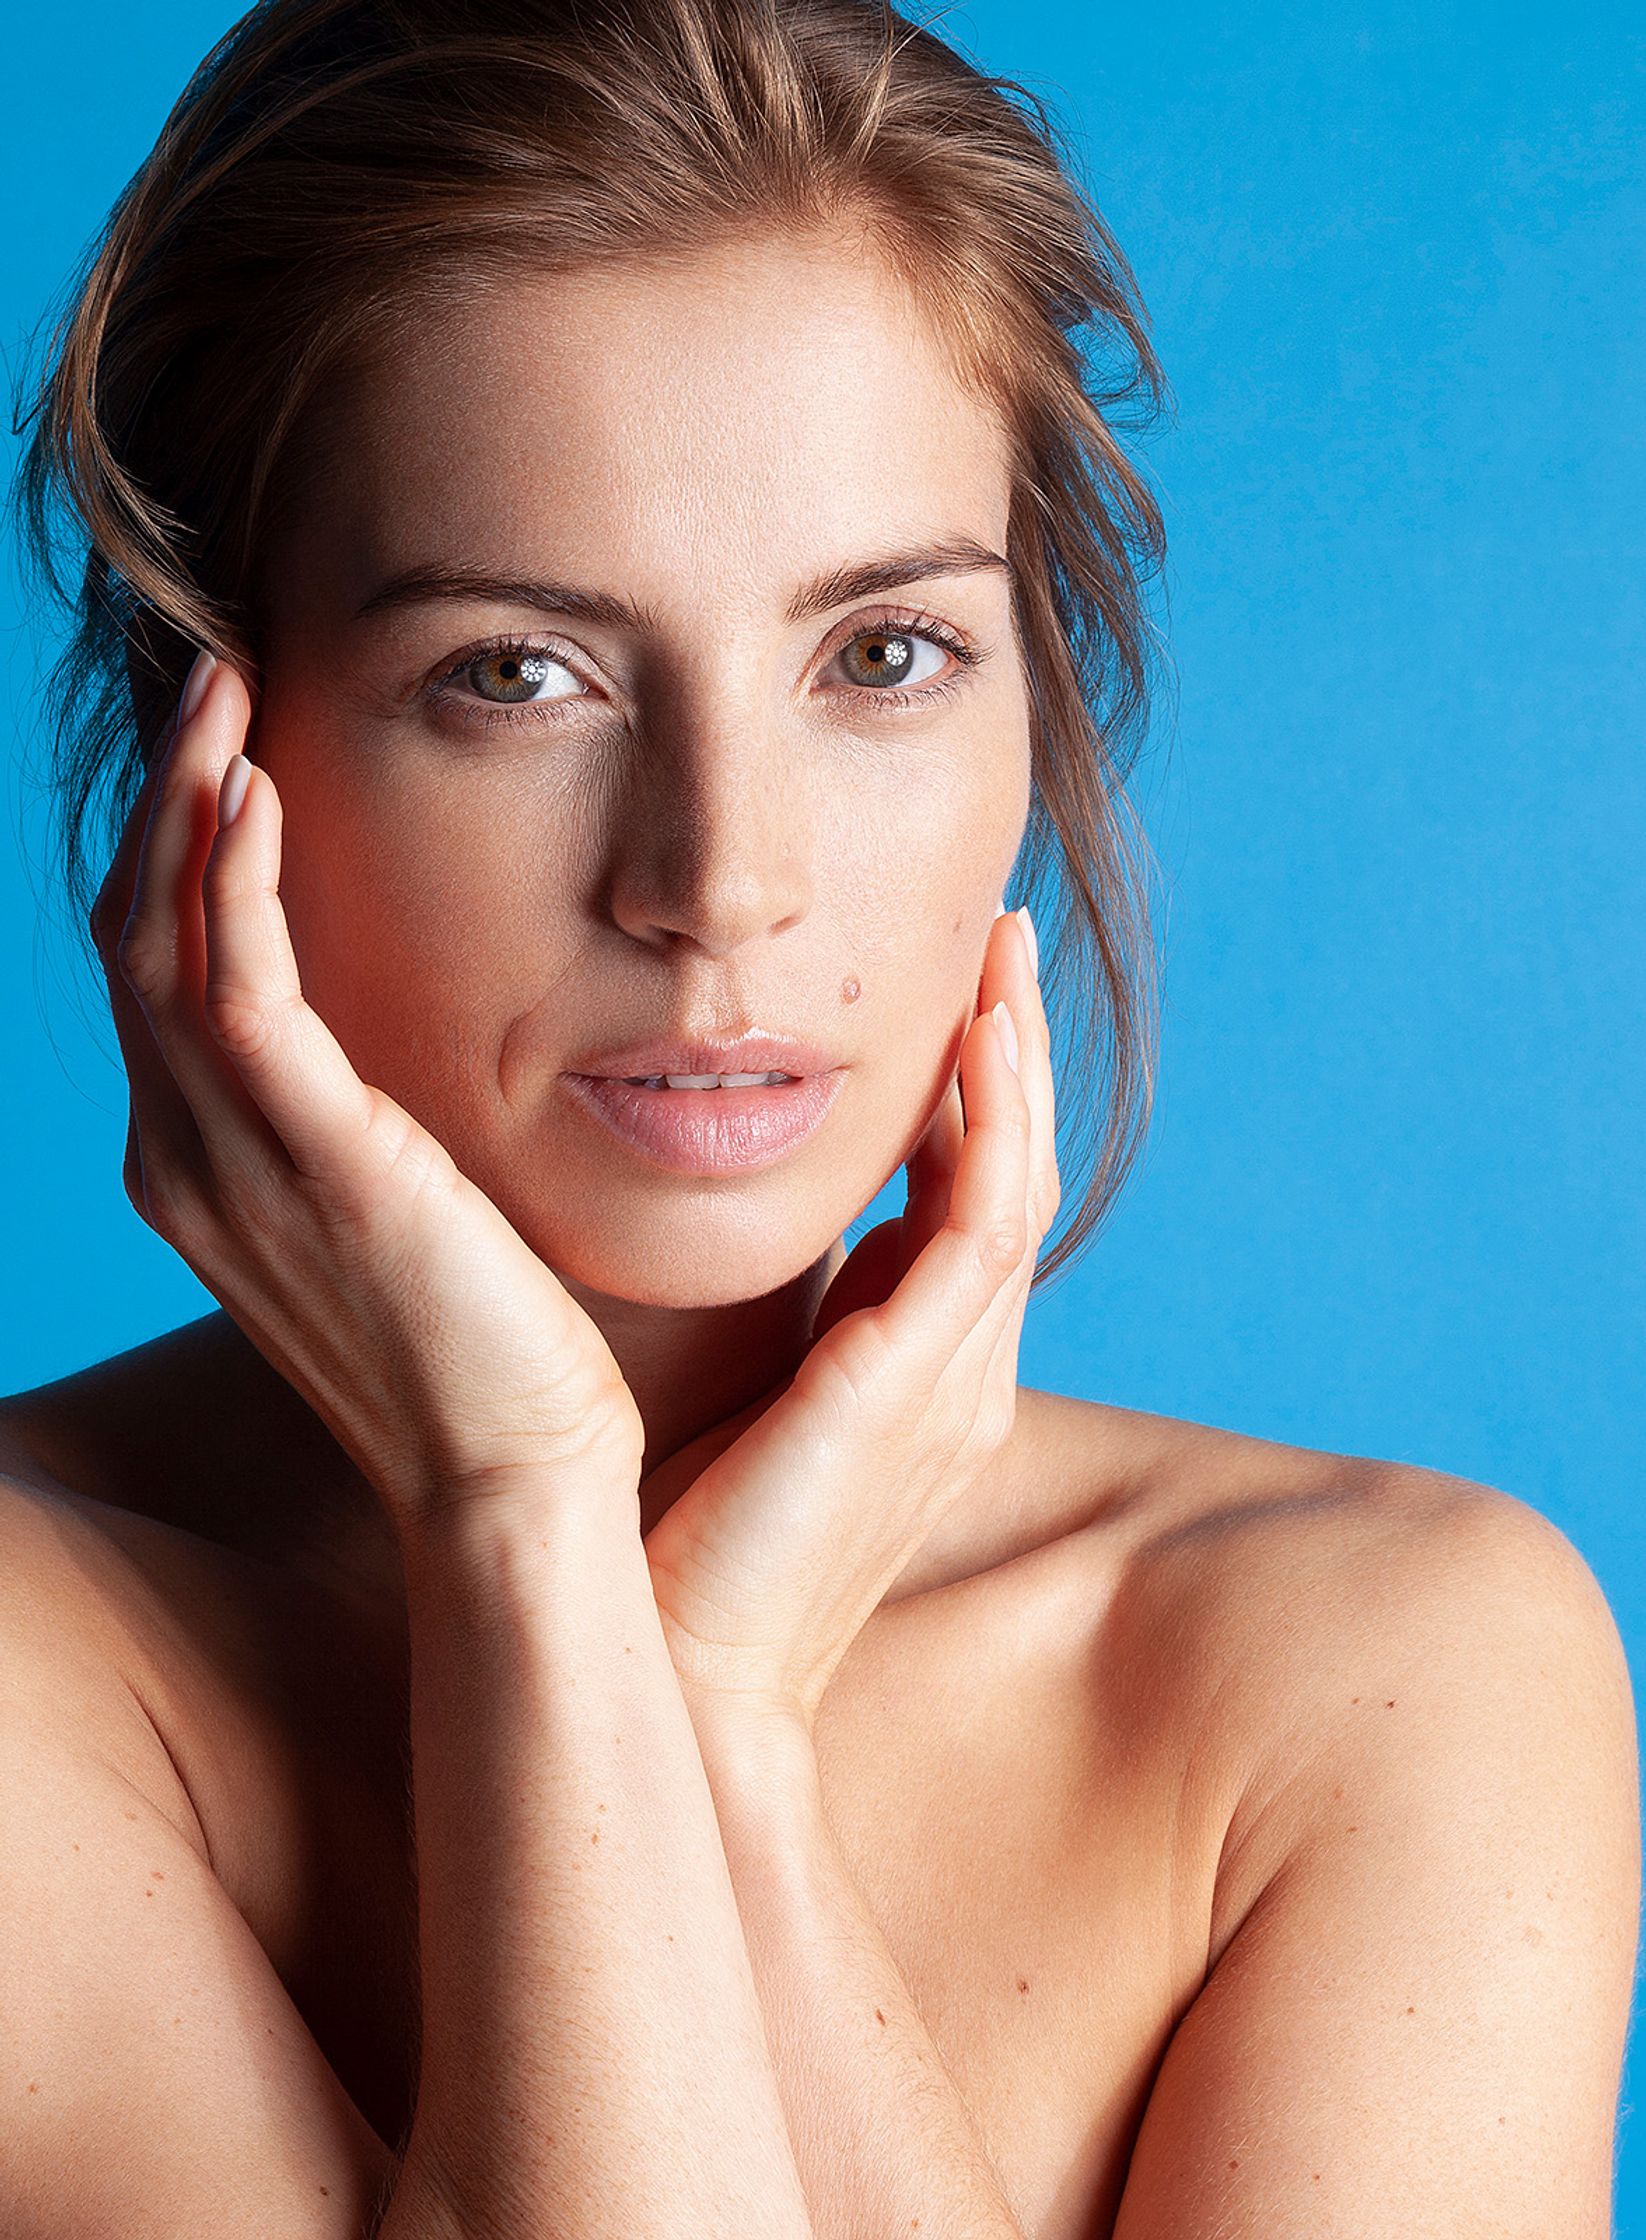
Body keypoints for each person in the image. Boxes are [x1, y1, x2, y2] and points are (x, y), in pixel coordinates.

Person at [2, 1, 1637, 2234]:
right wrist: (522, 1521)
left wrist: (724, 1712)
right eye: (516, 670)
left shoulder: (1379, 1667)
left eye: (878, 653)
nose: (719, 878)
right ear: (222, 733)